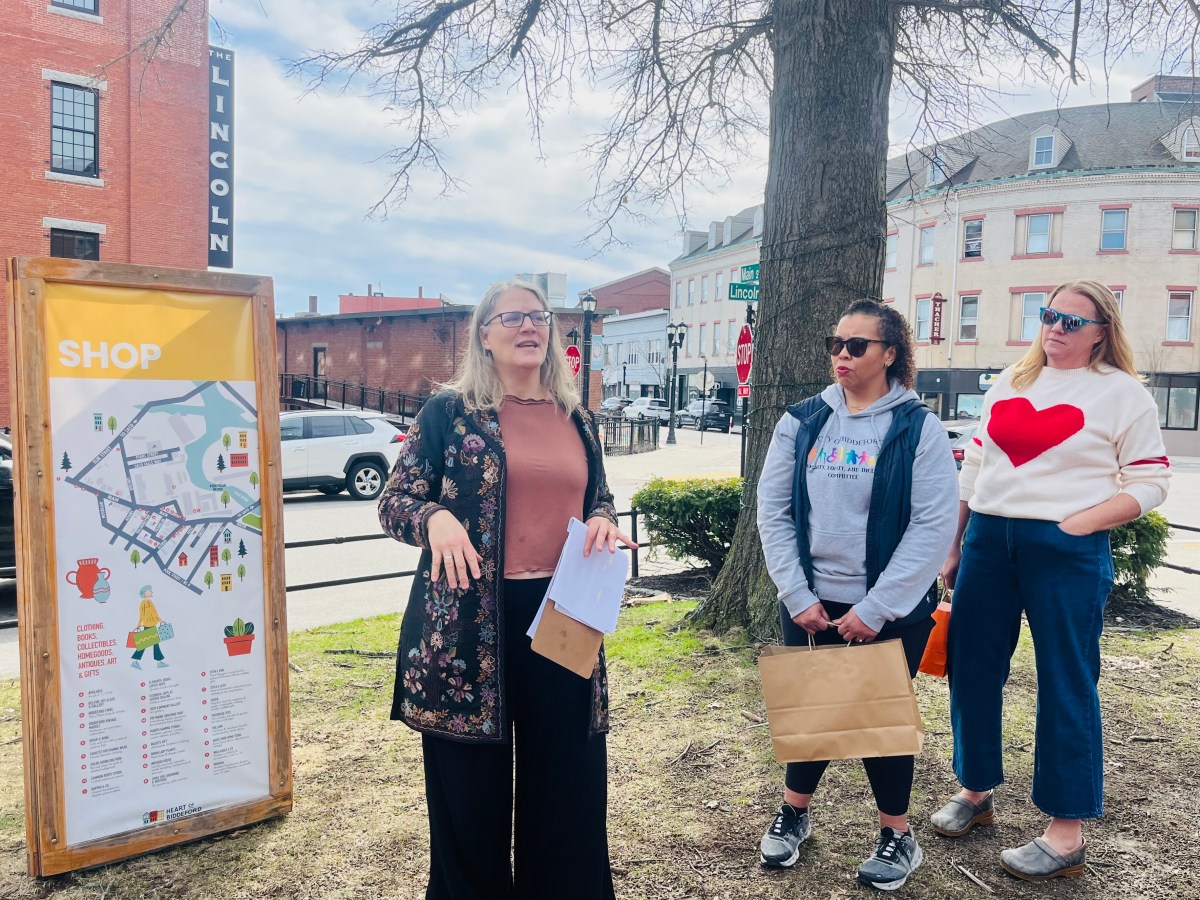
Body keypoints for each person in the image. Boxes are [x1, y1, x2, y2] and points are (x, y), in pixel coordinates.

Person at [378, 279, 635, 900]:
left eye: (539, 317)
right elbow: (395, 501)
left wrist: (603, 519)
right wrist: (434, 518)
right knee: (470, 803)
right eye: (513, 317)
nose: (529, 327)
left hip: (564, 614)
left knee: (568, 787)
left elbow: (597, 496)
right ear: (484, 336)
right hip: (467, 627)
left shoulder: (578, 418)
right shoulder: (449, 413)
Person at [933, 279, 1170, 882]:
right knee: (972, 666)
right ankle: (975, 789)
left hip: (1066, 550)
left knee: (1067, 679)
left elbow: (1151, 482)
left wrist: (1076, 525)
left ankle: (1066, 833)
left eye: (1072, 321)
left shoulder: (1122, 393)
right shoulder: (1012, 381)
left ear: (1101, 332)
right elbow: (976, 467)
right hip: (989, 541)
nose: (1056, 328)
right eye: (1049, 315)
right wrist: (955, 545)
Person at [756, 298, 959, 891]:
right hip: (812, 603)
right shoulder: (802, 421)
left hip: (888, 606)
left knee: (879, 719)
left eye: (856, 345)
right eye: (836, 344)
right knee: (812, 709)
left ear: (890, 353)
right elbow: (774, 510)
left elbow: (932, 526)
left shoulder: (917, 428)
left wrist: (876, 608)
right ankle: (794, 813)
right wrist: (795, 593)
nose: (841, 355)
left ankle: (898, 836)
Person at [130, 585, 167, 669]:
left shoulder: (151, 602)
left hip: (153, 625)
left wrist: (160, 620)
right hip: (147, 626)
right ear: (145, 592)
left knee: (152, 643)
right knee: (145, 644)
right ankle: (136, 661)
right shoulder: (143, 603)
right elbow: (141, 616)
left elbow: (155, 613)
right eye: (150, 590)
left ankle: (158, 662)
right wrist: (138, 626)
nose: (151, 592)